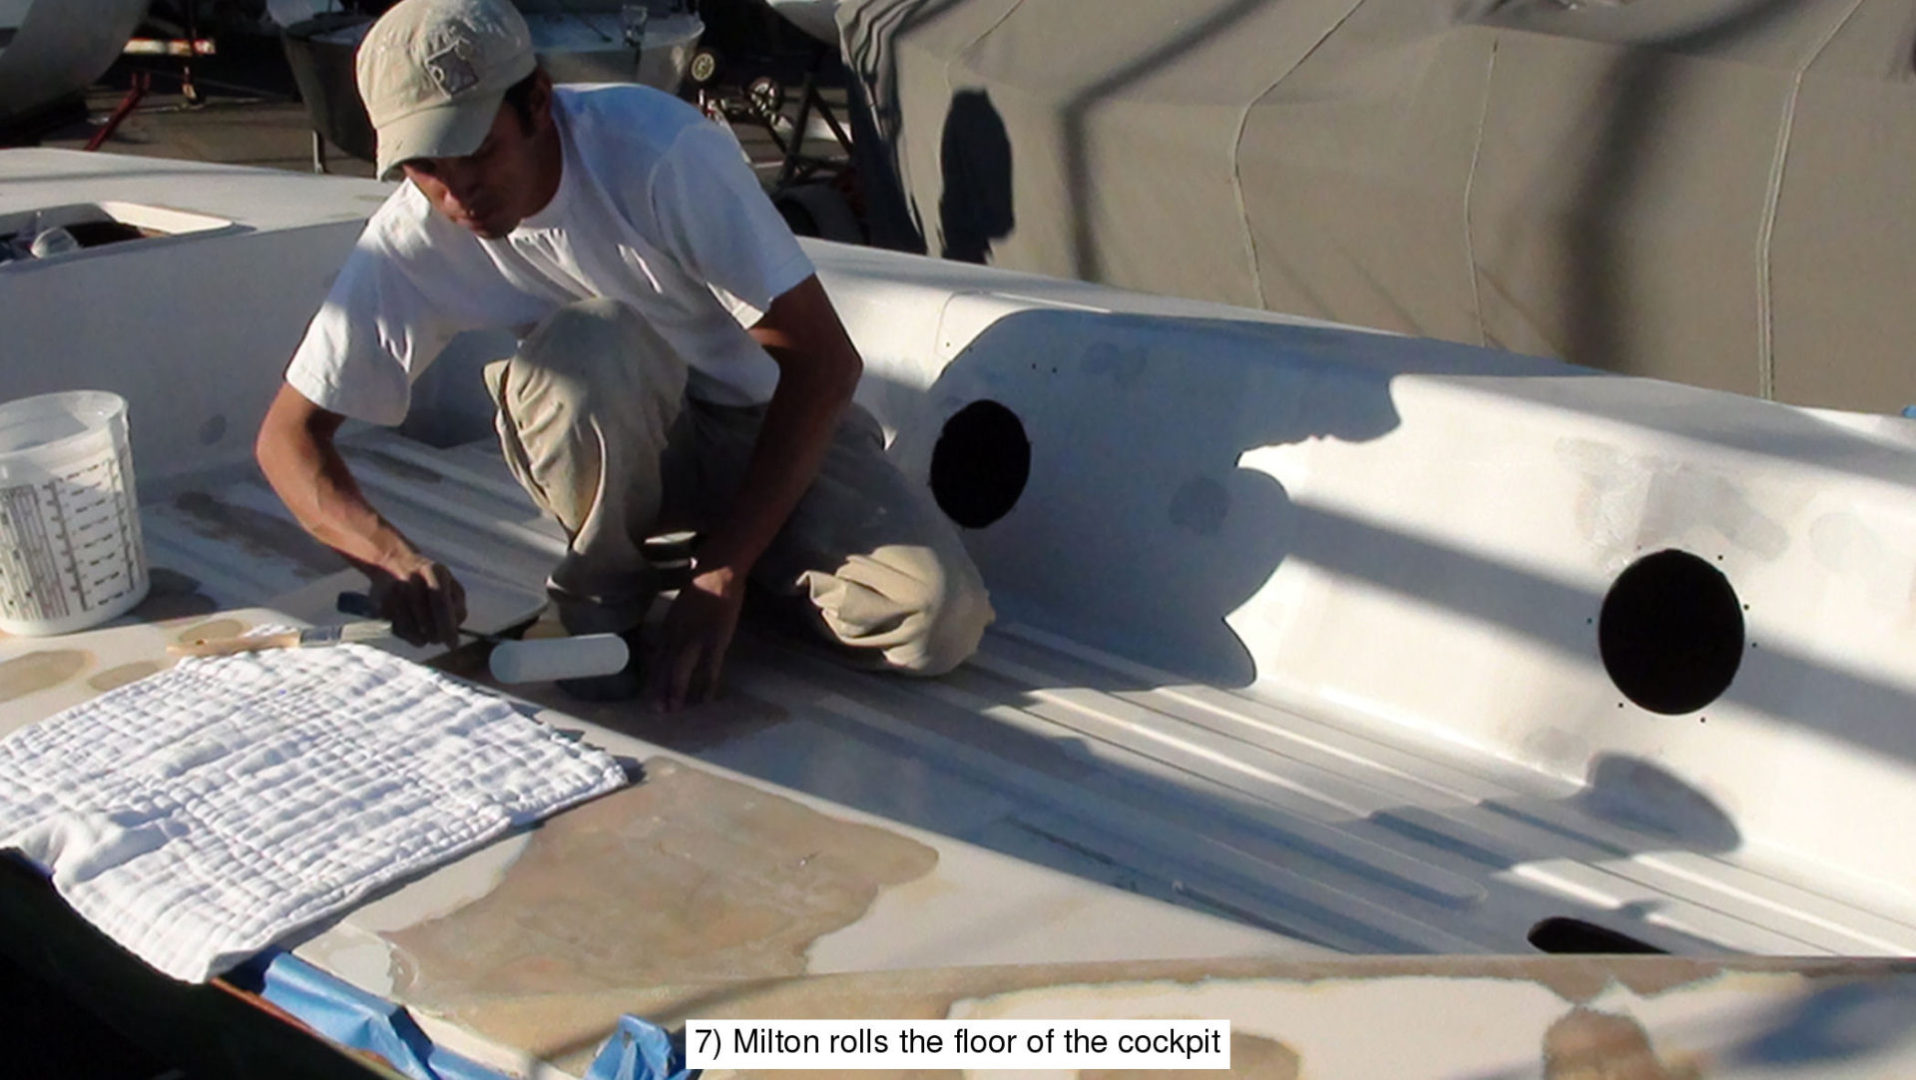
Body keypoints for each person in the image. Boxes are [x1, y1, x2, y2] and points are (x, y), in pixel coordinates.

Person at [256, 0, 992, 710]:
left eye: (478, 149)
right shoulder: (412, 238)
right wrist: (390, 558)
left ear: (539, 102)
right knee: (592, 342)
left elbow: (824, 363)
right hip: (630, 440)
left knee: (936, 622)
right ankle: (606, 591)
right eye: (424, 167)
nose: (457, 192)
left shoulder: (657, 152)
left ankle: (722, 562)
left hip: (761, 426)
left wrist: (723, 572)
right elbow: (287, 438)